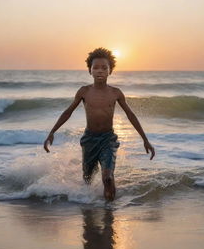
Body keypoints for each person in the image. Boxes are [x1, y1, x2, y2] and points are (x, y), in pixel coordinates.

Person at [43, 47, 155, 201]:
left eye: (104, 67)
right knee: (87, 179)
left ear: (110, 71)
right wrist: (52, 132)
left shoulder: (116, 93)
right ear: (90, 71)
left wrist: (145, 140)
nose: (100, 71)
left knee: (108, 177)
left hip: (108, 140)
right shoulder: (84, 92)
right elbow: (68, 112)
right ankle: (89, 209)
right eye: (95, 67)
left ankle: (110, 213)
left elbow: (131, 115)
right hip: (89, 140)